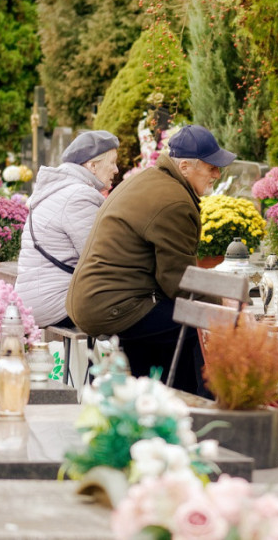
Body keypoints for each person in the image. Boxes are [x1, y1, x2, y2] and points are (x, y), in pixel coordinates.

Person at [66, 125, 235, 394]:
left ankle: (154, 406)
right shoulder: (176, 201)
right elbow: (178, 283)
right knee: (196, 327)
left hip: (97, 300)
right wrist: (223, 303)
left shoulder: (152, 180)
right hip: (113, 306)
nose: (217, 173)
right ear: (185, 167)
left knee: (169, 326)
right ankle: (198, 415)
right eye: (211, 166)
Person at [15, 130, 119, 328]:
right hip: (55, 303)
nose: (116, 169)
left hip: (36, 299)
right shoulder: (79, 196)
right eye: (112, 162)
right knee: (144, 315)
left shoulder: (59, 190)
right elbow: (100, 258)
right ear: (93, 165)